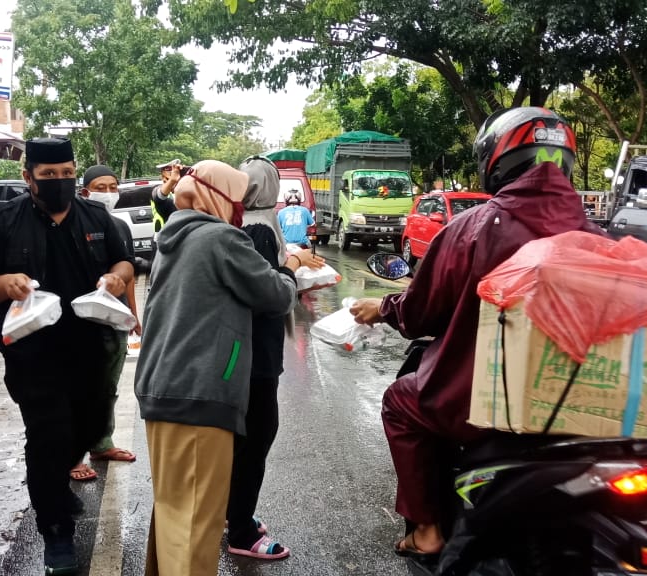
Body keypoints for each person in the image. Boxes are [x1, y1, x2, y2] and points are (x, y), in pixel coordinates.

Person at [349, 108, 603, 560]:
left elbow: (420, 314)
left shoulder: (472, 227)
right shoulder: (596, 236)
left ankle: (427, 530)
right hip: (580, 403)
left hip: (483, 399)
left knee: (400, 403)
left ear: (498, 160)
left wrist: (383, 308)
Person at [135, 160, 316, 576]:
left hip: (163, 387)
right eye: (234, 200)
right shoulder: (219, 237)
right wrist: (293, 266)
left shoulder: (174, 235)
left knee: (174, 509)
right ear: (214, 198)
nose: (239, 210)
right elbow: (273, 294)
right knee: (196, 522)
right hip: (199, 391)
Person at [0, 137, 134, 575]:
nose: (60, 182)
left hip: (90, 349)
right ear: (29, 178)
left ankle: (57, 491)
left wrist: (116, 280)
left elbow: (125, 263)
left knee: (86, 429)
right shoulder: (4, 222)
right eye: (49, 176)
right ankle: (55, 531)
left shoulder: (98, 217)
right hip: (32, 353)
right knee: (47, 436)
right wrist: (6, 284)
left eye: (67, 174)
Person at [222, 157, 324, 561]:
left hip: (245, 348)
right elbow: (268, 292)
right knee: (257, 435)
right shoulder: (260, 228)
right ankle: (241, 530)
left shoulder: (243, 221)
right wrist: (294, 266)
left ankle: (235, 514)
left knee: (247, 436)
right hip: (256, 352)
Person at [70, 164, 139, 483]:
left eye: (114, 187)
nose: (109, 193)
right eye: (101, 187)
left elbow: (129, 275)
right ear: (85, 191)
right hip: (82, 321)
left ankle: (101, 444)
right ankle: (72, 455)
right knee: (80, 387)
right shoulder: (71, 224)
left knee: (108, 387)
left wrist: (134, 315)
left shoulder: (120, 226)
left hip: (116, 319)